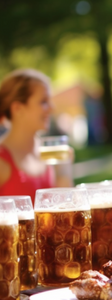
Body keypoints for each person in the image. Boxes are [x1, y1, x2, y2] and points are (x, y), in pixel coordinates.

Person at [0, 69, 70, 204]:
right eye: (43, 101)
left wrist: (64, 169)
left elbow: (65, 213)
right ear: (17, 109)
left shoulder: (51, 154)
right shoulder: (2, 161)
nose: (51, 108)